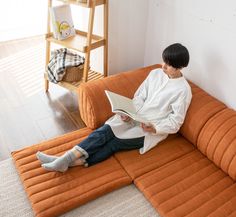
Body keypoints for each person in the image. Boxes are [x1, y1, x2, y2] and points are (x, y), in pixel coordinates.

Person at [37, 43, 192, 172]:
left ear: (180, 68)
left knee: (114, 143)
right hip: (134, 116)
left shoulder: (183, 91)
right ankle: (65, 159)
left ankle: (65, 161)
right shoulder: (155, 74)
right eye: (163, 61)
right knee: (104, 131)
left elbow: (175, 122)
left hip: (148, 130)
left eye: (169, 65)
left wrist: (155, 128)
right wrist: (128, 112)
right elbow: (139, 97)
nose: (163, 66)